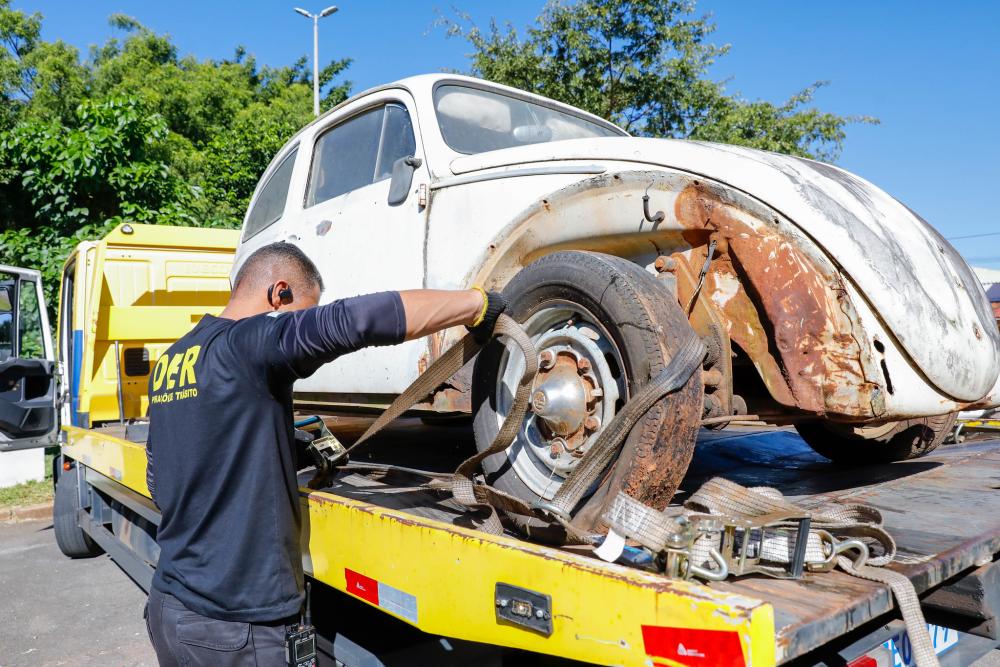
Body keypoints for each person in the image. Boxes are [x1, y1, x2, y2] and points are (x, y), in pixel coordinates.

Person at [143, 242, 505, 666]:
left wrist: (279, 450)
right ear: (279, 294)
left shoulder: (172, 361)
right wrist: (477, 306)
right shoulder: (249, 343)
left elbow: (164, 475)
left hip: (171, 604)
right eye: (301, 311)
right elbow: (357, 321)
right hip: (235, 628)